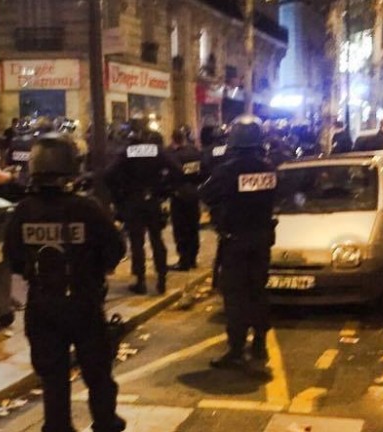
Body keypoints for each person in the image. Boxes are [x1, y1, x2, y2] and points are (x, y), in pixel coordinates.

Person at [4, 133, 126, 432]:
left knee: (53, 375)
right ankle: (105, 421)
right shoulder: (86, 208)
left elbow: (13, 257)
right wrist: (97, 268)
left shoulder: (23, 211)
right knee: (96, 371)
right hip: (83, 301)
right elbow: (116, 248)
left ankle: (58, 426)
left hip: (42, 304)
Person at [200, 114, 277, 368]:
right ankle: (260, 344)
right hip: (262, 240)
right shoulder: (268, 168)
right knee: (258, 291)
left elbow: (206, 194)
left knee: (234, 296)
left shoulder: (227, 169)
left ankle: (235, 349)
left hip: (235, 242)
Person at [105, 124, 182, 295]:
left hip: (133, 201)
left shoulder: (128, 152)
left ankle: (140, 281)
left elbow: (108, 174)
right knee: (157, 239)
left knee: (137, 242)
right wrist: (164, 188)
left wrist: (120, 191)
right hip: (152, 199)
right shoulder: (156, 150)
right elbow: (177, 170)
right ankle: (161, 279)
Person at [166, 127, 203, 271]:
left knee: (181, 229)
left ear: (173, 139)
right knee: (193, 227)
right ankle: (193, 259)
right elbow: (202, 170)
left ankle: (184, 261)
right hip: (194, 193)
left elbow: (170, 174)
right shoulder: (195, 152)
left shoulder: (172, 155)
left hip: (179, 195)